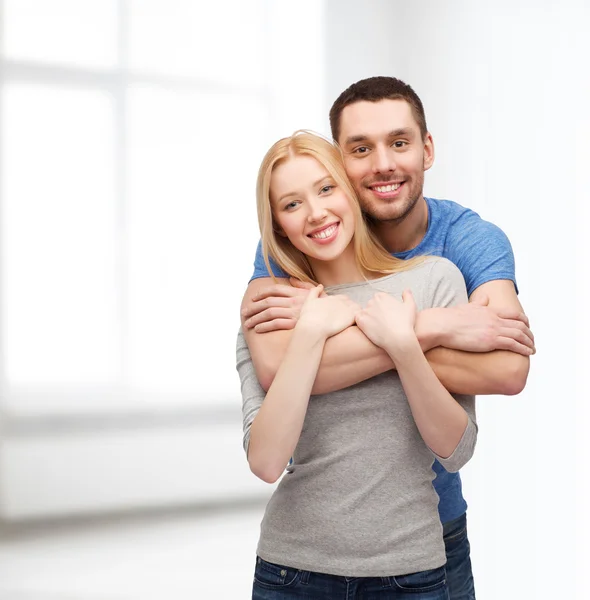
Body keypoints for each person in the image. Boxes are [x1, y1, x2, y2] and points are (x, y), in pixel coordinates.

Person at [240, 77, 535, 599]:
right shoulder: (283, 278)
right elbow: (271, 380)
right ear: (343, 164)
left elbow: (506, 369)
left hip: (424, 537)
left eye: (398, 143)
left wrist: (390, 336)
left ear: (426, 149)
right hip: (294, 566)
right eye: (360, 149)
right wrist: (430, 327)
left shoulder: (454, 254)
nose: (381, 165)